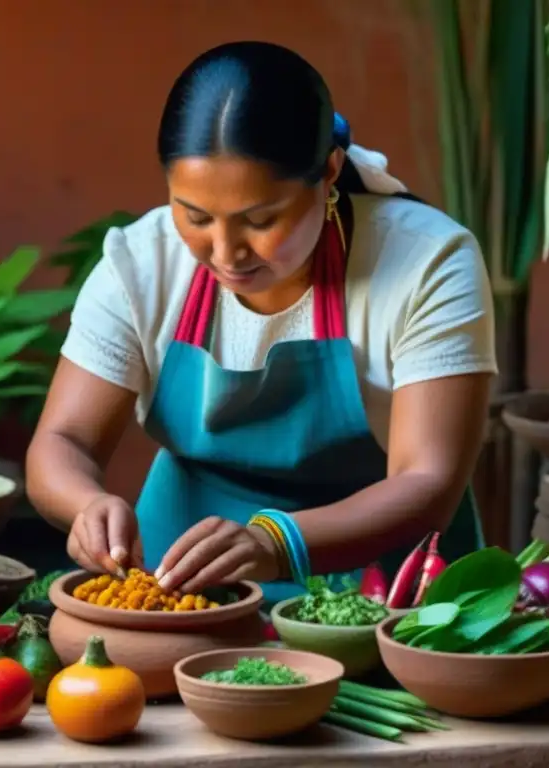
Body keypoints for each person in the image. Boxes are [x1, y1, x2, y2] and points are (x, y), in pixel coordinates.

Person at [26, 41, 496, 602]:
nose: (226, 252)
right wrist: (86, 504)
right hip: (180, 589)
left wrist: (278, 542)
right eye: (195, 216)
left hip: (385, 591)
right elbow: (62, 439)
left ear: (329, 171)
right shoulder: (141, 262)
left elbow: (428, 480)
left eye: (260, 219)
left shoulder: (427, 261)